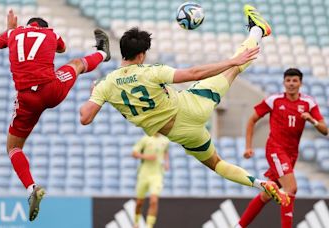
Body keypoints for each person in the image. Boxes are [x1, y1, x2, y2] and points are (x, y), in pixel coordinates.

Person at [80, 4, 291, 207]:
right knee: (234, 68)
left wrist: (95, 95)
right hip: (191, 106)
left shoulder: (106, 84)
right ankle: (257, 31)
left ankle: (260, 184)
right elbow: (192, 74)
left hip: (181, 134)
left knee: (217, 164)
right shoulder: (151, 71)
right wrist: (230, 62)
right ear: (142, 55)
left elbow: (85, 118)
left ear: (123, 51)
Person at [0, 10, 111, 221]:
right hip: (51, 89)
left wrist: (11, 31)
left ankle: (31, 188)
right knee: (76, 64)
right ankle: (102, 53)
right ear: (43, 27)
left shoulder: (13, 34)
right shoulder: (50, 34)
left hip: (27, 98)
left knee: (13, 148)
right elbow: (62, 49)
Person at [235, 68, 328, 228]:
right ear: (284, 83)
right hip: (276, 149)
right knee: (291, 189)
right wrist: (248, 146)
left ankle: (239, 226)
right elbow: (252, 120)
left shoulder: (308, 103)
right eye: (288, 81)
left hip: (292, 153)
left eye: (295, 81)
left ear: (300, 83)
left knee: (267, 194)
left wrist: (312, 120)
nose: (291, 84)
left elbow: (325, 130)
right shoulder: (274, 100)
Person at [132, 133, 170, 228]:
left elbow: (166, 151)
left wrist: (166, 162)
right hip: (144, 174)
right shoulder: (145, 139)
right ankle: (136, 221)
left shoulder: (165, 141)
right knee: (139, 202)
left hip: (157, 175)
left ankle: (149, 225)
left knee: (154, 201)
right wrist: (146, 157)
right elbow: (134, 153)